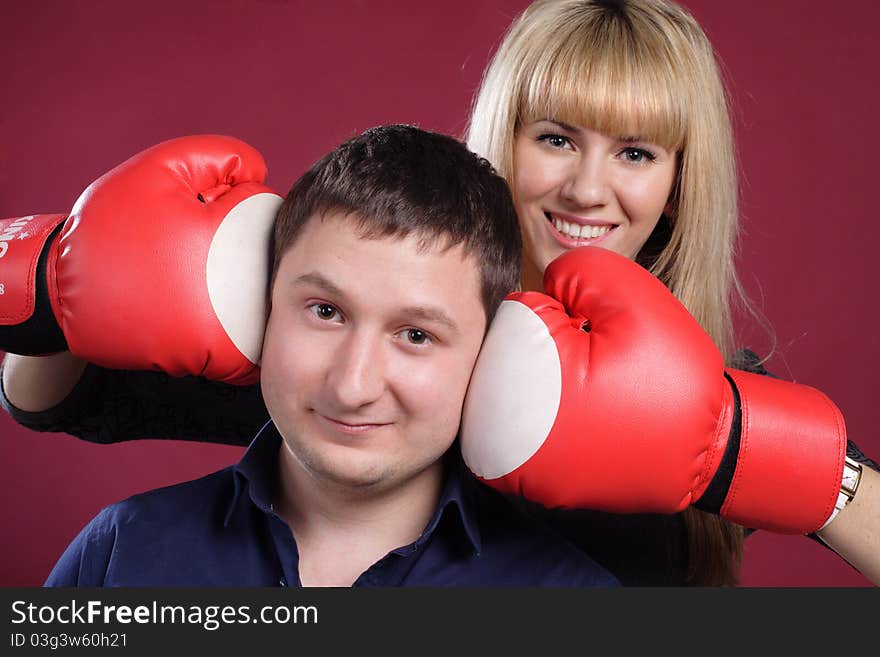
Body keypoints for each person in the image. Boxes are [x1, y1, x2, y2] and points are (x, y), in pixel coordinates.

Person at [3, 0, 878, 586]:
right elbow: (55, 395)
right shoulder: (363, 346)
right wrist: (58, 273)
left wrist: (737, 447)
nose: (587, 188)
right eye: (556, 137)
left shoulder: (700, 387)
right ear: (507, 135)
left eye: (637, 152)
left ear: (680, 182)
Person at [41, 124, 618, 587]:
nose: (352, 384)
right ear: (261, 305)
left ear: (489, 355)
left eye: (415, 335)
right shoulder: (121, 555)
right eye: (325, 311)